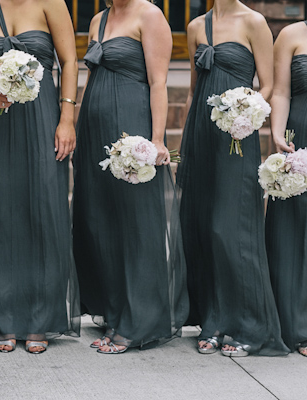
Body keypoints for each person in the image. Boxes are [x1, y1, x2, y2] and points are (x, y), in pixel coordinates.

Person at [72, 0, 188, 354]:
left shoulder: (150, 15)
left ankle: (140, 321)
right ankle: (113, 310)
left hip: (132, 126)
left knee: (135, 222)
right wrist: (78, 122)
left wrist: (155, 139)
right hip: (94, 127)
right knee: (99, 220)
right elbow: (90, 75)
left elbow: (158, 82)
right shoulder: (98, 18)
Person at [0, 0, 80, 354]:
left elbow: (70, 61)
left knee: (43, 212)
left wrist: (66, 118)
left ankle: (40, 319)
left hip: (43, 117)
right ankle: (4, 318)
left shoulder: (52, 3)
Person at [178, 0, 288, 356]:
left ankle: (252, 328)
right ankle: (214, 321)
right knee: (205, 227)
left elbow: (268, 85)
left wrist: (245, 113)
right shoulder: (196, 27)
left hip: (237, 136)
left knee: (232, 228)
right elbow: (195, 92)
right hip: (201, 134)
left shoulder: (254, 22)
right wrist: (186, 139)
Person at [265, 20, 307, 357]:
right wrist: (277, 135)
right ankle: (294, 325)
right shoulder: (291, 34)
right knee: (290, 227)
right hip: (299, 140)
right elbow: (281, 91)